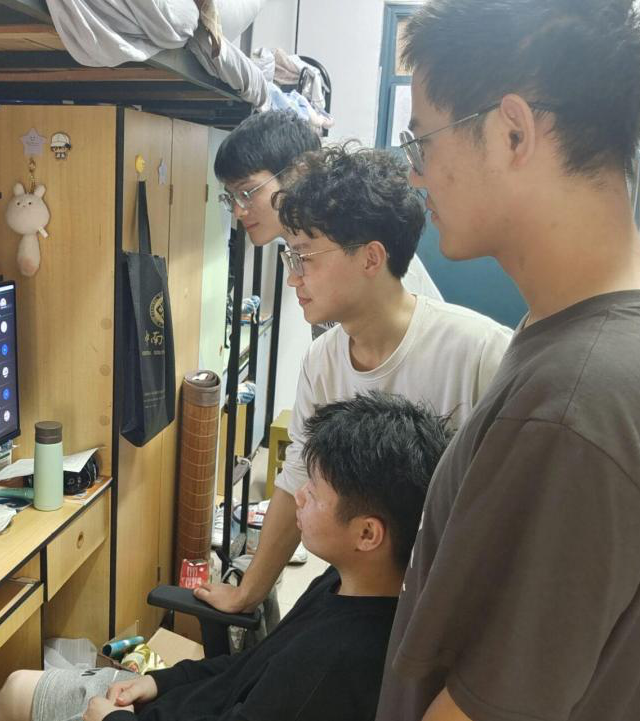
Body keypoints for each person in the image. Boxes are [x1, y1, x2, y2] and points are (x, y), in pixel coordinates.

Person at [374, 2, 640, 721]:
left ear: (513, 131)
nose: (417, 176)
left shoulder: (582, 398)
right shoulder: (626, 331)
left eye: (421, 141)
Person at [0, 392, 452, 721]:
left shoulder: (339, 659)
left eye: (316, 491)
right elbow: (250, 668)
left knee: (14, 692)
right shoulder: (343, 584)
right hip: (182, 701)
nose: (299, 496)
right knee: (18, 686)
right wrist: (161, 683)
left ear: (367, 533)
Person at [194, 144, 512, 616]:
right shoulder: (323, 360)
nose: (293, 278)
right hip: (365, 599)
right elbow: (296, 477)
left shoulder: (482, 354)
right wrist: (247, 593)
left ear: (370, 258)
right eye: (290, 257)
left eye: (304, 257)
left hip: (451, 606)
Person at [214, 109, 444, 302]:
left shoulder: (354, 246)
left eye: (248, 192)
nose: (238, 211)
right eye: (232, 197)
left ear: (299, 172)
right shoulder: (305, 242)